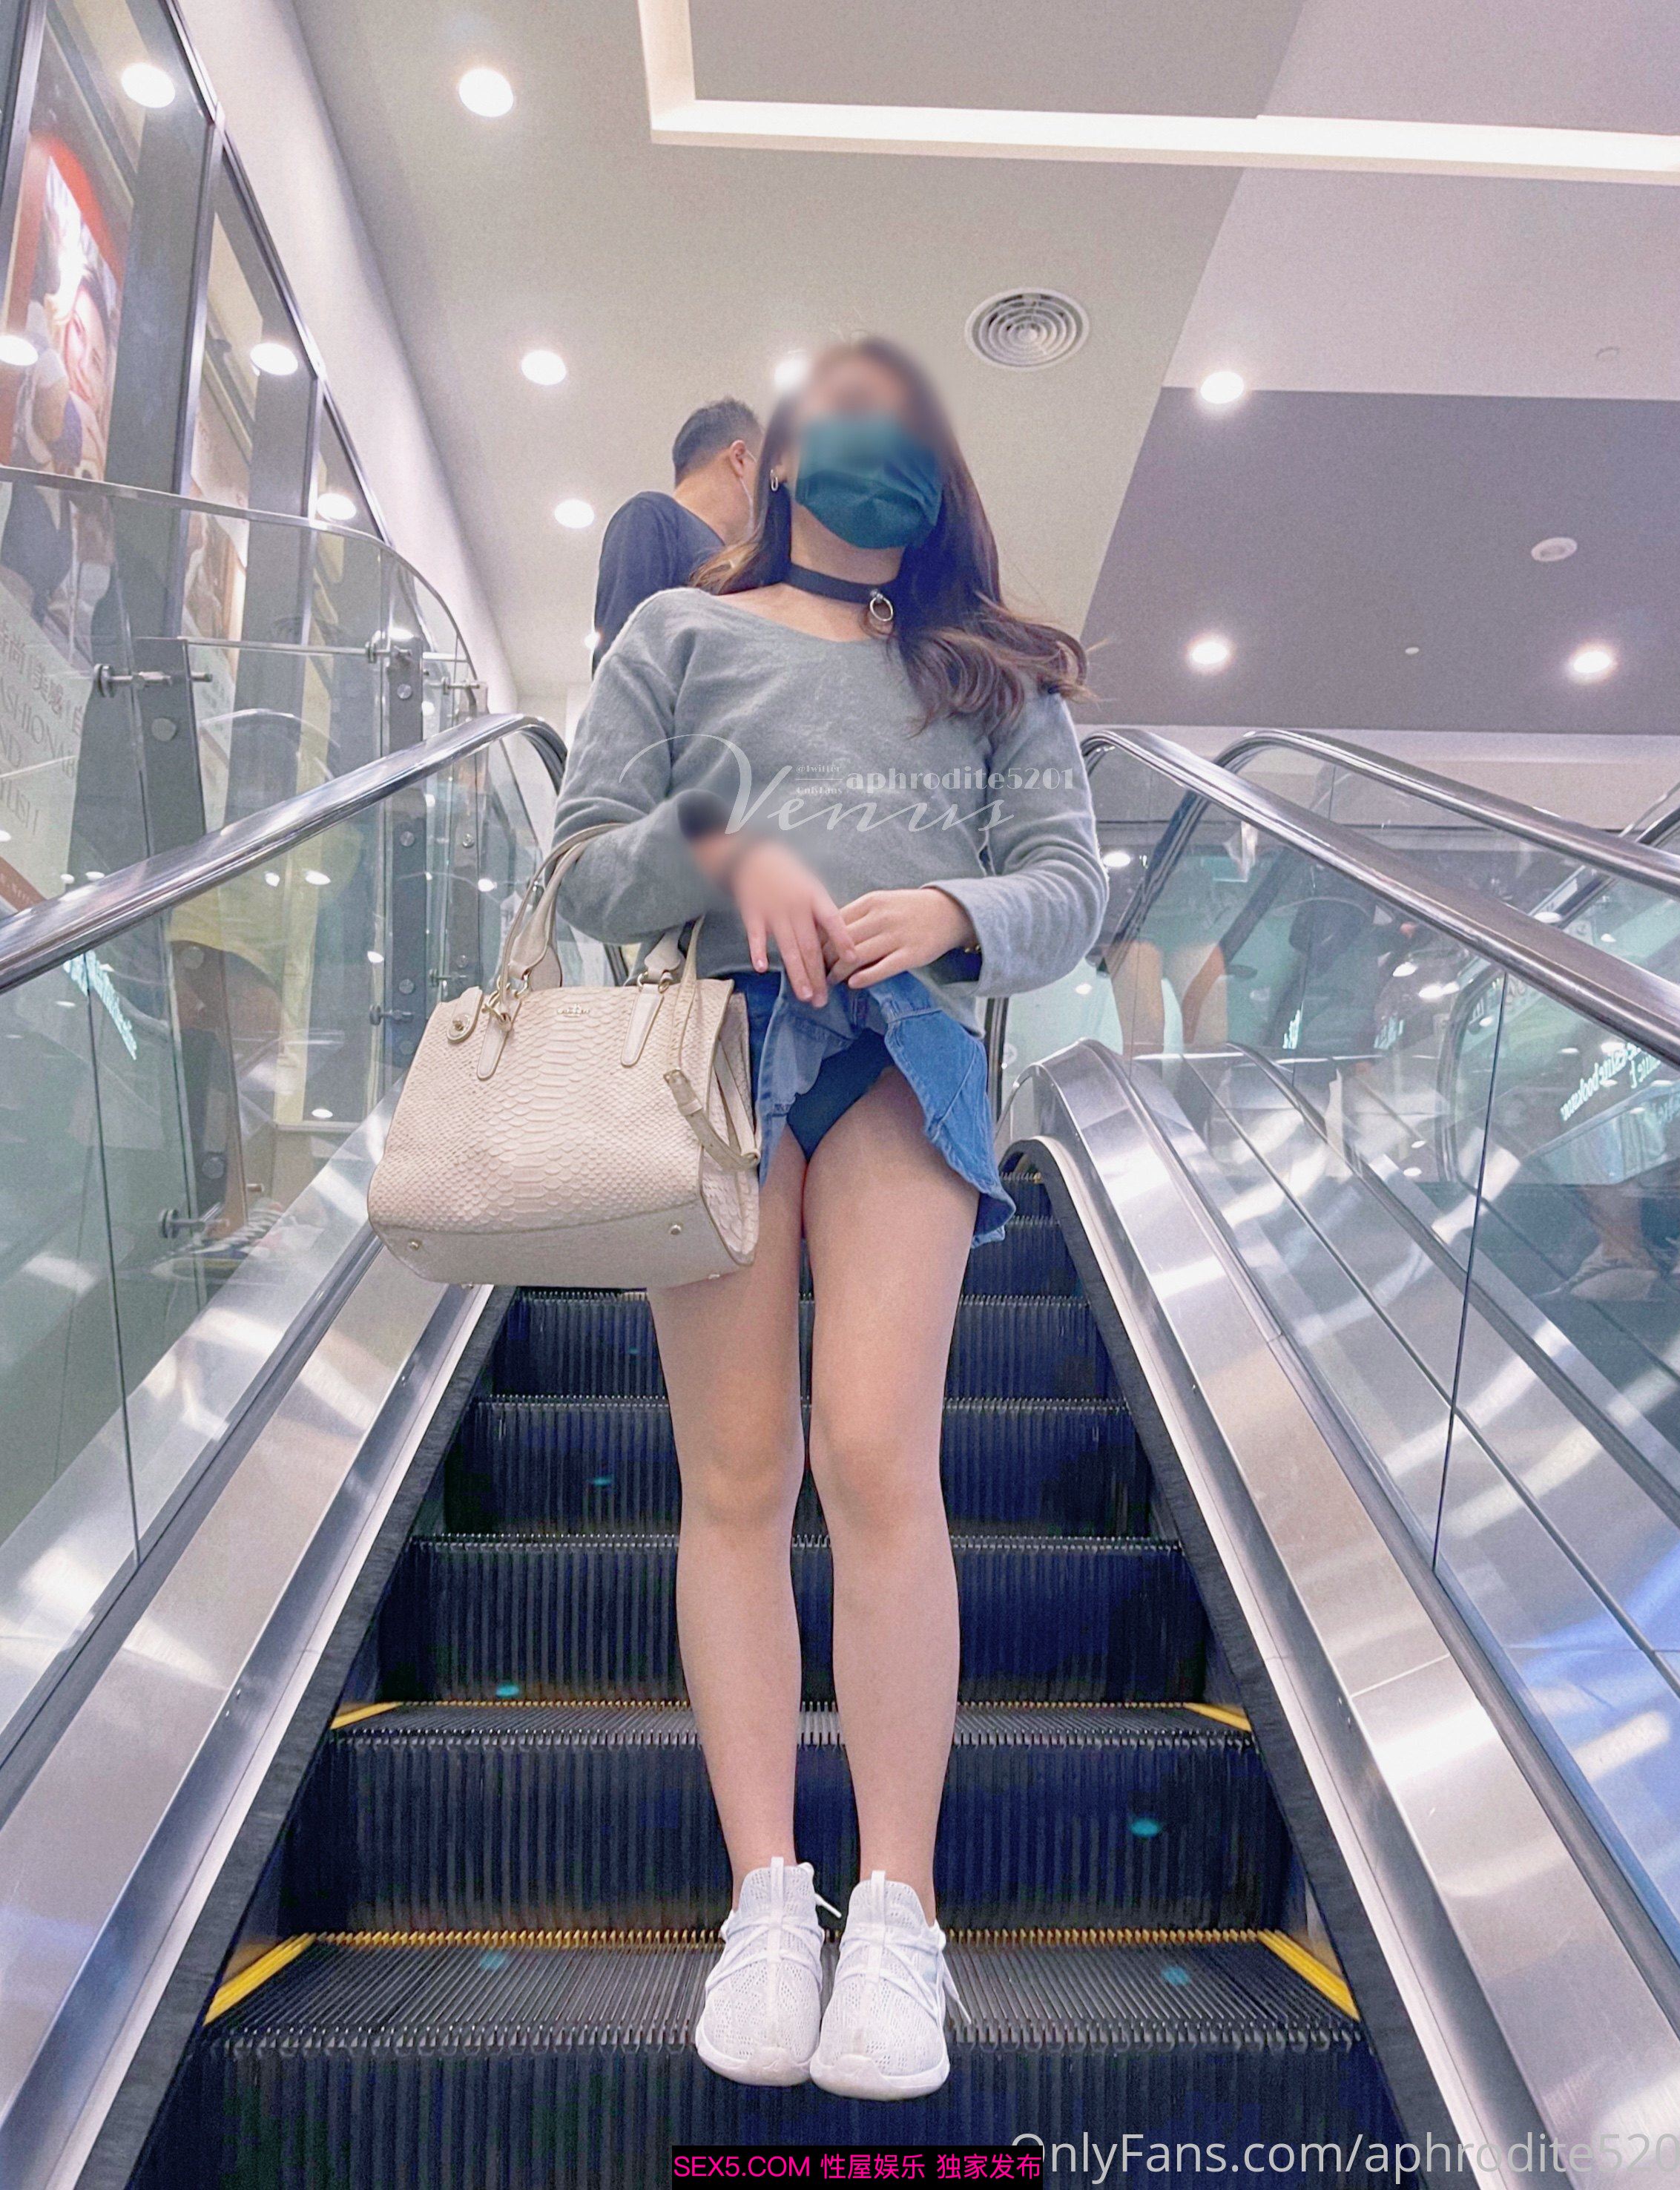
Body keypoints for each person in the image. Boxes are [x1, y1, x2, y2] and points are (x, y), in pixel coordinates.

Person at [552, 336, 1106, 2101]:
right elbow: (581, 864)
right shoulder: (676, 634)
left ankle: (896, 1909)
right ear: (780, 455)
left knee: (878, 1458)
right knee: (734, 1471)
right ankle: (766, 1899)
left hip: (901, 1053)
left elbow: (1070, 887)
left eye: (905, 422)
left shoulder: (988, 672)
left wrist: (947, 904)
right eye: (847, 415)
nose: (878, 446)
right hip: (707, 1053)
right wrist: (727, 844)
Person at [589, 396, 760, 667]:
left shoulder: (743, 569)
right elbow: (623, 661)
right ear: (739, 458)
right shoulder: (654, 516)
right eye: (767, 474)